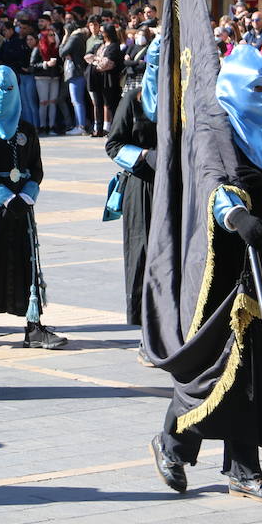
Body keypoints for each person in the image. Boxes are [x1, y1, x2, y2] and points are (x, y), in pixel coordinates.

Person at [148, 45, 262, 504]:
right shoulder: (214, 129)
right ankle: (173, 442)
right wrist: (238, 215)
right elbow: (210, 180)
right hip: (222, 267)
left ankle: (244, 469)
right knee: (216, 363)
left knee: (258, 366)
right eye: (253, 88)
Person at [0, 66, 66, 350]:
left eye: (9, 89)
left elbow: (36, 168)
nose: (3, 95)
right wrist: (7, 198)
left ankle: (33, 326)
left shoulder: (27, 129)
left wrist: (28, 196)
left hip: (23, 204)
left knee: (26, 260)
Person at [105, 36, 160, 329]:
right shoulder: (133, 99)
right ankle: (144, 328)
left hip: (173, 187)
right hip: (140, 186)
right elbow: (113, 145)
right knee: (141, 254)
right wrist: (145, 156)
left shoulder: (182, 103)